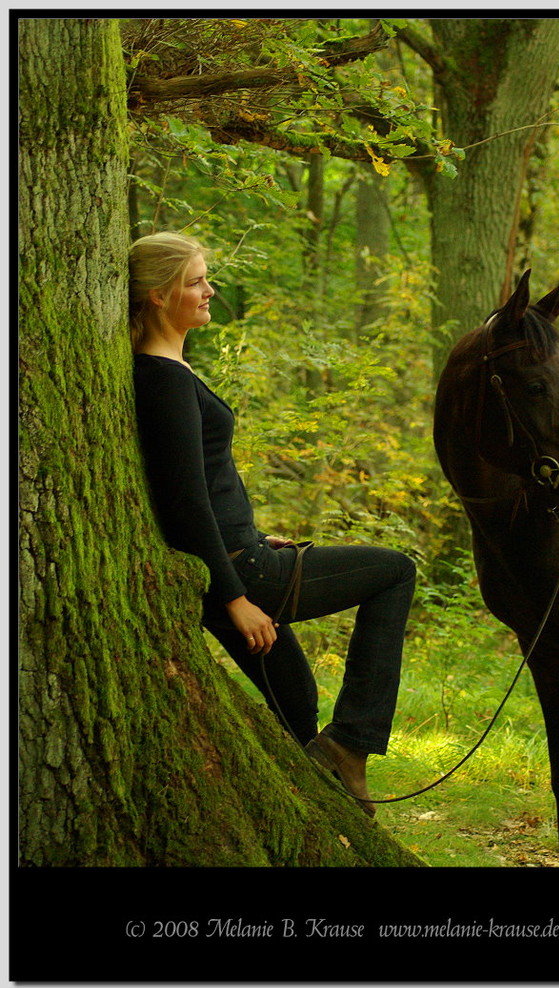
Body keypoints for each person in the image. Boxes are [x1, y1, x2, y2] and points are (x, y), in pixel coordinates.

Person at [129, 231, 416, 817]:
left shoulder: (171, 369)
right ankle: (354, 743)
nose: (210, 290)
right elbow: (184, 502)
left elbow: (207, 486)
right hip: (241, 575)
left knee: (297, 702)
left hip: (241, 557)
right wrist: (235, 597)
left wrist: (255, 539)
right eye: (196, 281)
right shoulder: (163, 379)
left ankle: (325, 818)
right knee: (394, 572)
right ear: (158, 296)